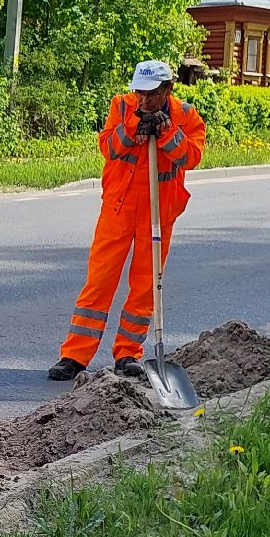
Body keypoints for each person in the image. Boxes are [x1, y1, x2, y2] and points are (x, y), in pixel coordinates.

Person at [50, 60, 207, 382]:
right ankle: (74, 356)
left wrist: (166, 133)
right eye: (140, 92)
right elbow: (108, 147)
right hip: (119, 209)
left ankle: (127, 354)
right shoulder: (122, 107)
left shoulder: (186, 115)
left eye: (151, 94)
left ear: (168, 89)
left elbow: (191, 157)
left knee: (145, 288)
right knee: (99, 282)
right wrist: (134, 126)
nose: (144, 100)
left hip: (158, 213)